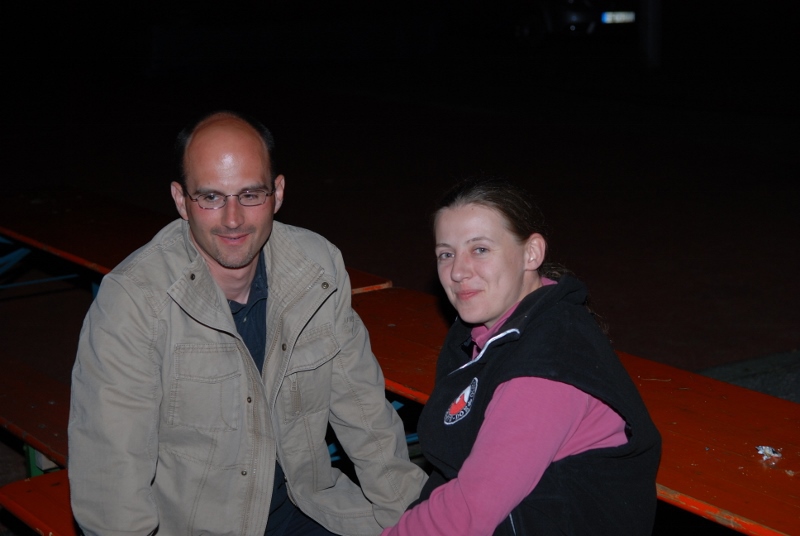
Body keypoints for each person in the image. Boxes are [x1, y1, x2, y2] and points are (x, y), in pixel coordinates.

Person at [68, 111, 426, 536]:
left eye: (250, 194)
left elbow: (365, 416)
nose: (233, 219)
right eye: (211, 197)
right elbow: (111, 483)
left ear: (278, 193)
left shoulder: (317, 268)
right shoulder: (134, 302)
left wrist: (418, 522)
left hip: (309, 511)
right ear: (181, 200)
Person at [383, 177, 661, 535]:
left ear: (531, 254)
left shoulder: (547, 366)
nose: (458, 271)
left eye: (480, 249)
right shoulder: (488, 331)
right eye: (446, 254)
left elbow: (470, 510)